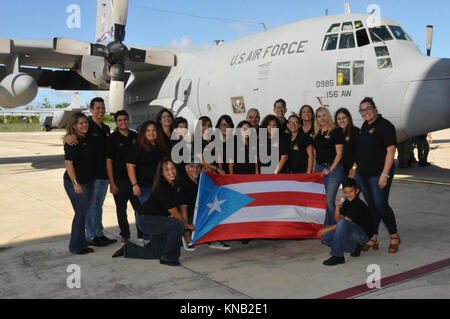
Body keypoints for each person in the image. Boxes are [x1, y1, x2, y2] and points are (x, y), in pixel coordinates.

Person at [113, 158, 195, 266]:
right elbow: (174, 212)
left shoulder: (174, 184)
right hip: (147, 220)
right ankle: (168, 258)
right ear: (161, 172)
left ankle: (128, 249)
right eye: (167, 170)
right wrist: (187, 225)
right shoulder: (163, 187)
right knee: (178, 225)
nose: (171, 172)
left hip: (157, 220)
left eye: (172, 168)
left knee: (157, 253)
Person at [350, 97, 401, 253]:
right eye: (362, 110)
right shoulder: (364, 126)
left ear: (375, 109)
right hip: (363, 174)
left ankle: (394, 235)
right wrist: (354, 168)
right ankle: (373, 237)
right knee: (372, 207)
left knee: (381, 205)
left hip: (378, 174)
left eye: (368, 108)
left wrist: (384, 174)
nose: (365, 112)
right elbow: (360, 152)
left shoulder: (385, 126)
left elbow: (391, 151)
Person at [64, 97, 116, 247]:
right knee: (92, 206)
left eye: (102, 108)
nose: (100, 111)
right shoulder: (87, 125)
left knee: (97, 205)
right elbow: (72, 136)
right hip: (93, 175)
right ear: (91, 109)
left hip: (103, 172)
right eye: (97, 108)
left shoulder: (105, 128)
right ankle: (93, 235)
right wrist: (66, 137)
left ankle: (98, 233)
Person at [126, 120, 169, 244]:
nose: (151, 133)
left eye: (154, 130)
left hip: (159, 187)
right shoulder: (137, 147)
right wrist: (134, 184)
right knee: (148, 214)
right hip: (143, 187)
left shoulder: (161, 147)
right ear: (143, 133)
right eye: (148, 130)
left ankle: (157, 239)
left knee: (158, 213)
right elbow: (130, 166)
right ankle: (148, 239)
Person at [318, 178, 374, 266]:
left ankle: (338, 255)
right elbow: (337, 220)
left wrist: (326, 229)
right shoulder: (347, 202)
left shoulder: (358, 204)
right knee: (326, 238)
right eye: (345, 192)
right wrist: (337, 207)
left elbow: (343, 222)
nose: (348, 194)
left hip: (362, 235)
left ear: (357, 191)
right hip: (351, 232)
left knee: (338, 225)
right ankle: (354, 247)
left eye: (351, 191)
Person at [106, 111, 141, 244]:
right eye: (120, 120)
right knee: (121, 210)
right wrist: (112, 183)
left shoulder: (135, 136)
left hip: (135, 180)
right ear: (116, 123)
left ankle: (142, 233)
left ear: (128, 120)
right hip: (119, 181)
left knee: (139, 208)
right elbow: (108, 162)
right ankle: (125, 234)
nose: (123, 122)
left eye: (125, 119)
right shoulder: (111, 139)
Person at [63, 113, 96, 255]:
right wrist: (76, 183)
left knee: (83, 213)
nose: (84, 125)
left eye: (85, 122)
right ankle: (75, 246)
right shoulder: (72, 141)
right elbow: (69, 163)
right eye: (81, 123)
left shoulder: (86, 137)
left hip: (88, 181)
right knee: (80, 213)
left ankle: (81, 243)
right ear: (74, 126)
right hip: (75, 183)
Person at [312, 107, 345, 227]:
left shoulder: (336, 131)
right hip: (320, 169)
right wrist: (314, 170)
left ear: (328, 116)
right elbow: (315, 153)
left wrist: (332, 169)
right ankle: (328, 227)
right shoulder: (317, 132)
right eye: (319, 116)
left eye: (324, 115)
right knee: (322, 202)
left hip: (333, 170)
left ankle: (337, 227)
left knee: (329, 201)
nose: (322, 118)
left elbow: (339, 153)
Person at [179, 161, 202, 251]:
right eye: (192, 167)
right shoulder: (184, 183)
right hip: (187, 215)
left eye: (198, 166)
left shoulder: (201, 180)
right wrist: (187, 228)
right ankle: (185, 235)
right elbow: (183, 210)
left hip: (197, 212)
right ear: (186, 168)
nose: (195, 169)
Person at [335, 108, 360, 176]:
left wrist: (354, 168)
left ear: (349, 118)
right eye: (339, 119)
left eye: (344, 118)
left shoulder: (356, 131)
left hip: (355, 170)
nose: (342, 121)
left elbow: (360, 152)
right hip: (341, 170)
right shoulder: (336, 133)